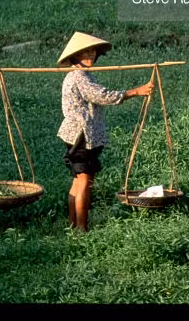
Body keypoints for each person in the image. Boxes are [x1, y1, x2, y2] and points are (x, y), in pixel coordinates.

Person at [56, 31, 154, 232]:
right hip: (82, 135)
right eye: (85, 53)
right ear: (75, 56)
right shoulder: (79, 77)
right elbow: (103, 96)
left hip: (75, 134)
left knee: (78, 180)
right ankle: (81, 229)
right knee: (83, 182)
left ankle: (73, 226)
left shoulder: (79, 75)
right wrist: (136, 91)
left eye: (92, 52)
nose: (90, 56)